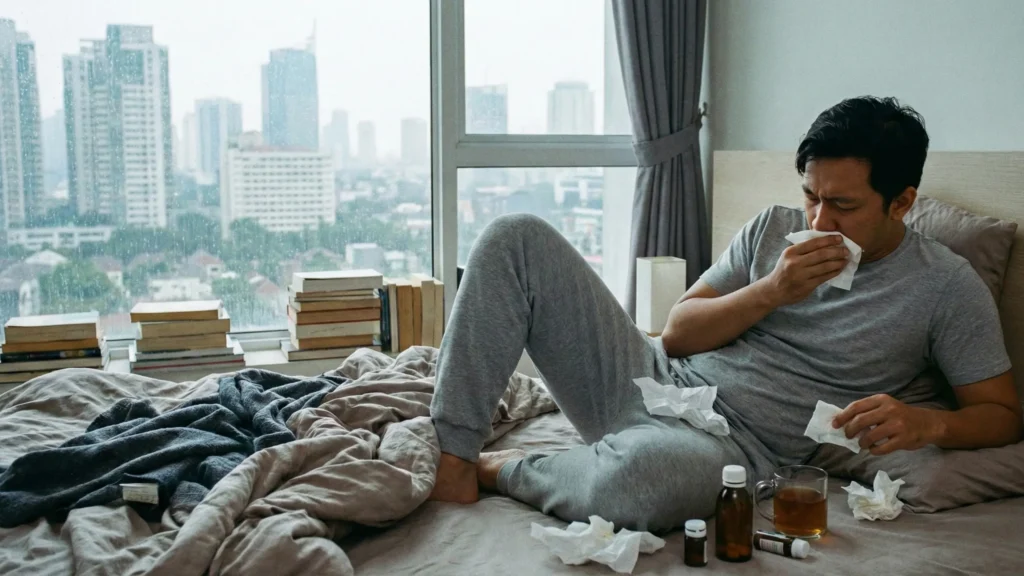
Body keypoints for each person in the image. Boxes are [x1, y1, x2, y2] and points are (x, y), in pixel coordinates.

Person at [427, 96, 1023, 532]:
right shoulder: (771, 229)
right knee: (515, 236)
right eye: (811, 195)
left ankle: (503, 470)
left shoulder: (947, 286)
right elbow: (676, 336)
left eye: (843, 205)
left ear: (902, 203)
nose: (819, 221)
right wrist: (770, 291)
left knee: (642, 485)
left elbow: (1002, 415)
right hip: (653, 378)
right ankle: (455, 456)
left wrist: (929, 425)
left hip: (734, 449)